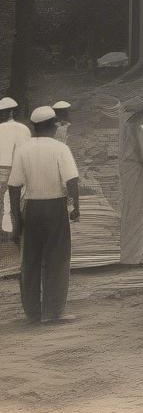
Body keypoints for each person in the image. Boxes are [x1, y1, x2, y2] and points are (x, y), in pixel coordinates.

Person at [8, 106, 81, 323]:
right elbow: (72, 180)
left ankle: (32, 312)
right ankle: (53, 311)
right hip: (55, 208)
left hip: (31, 208)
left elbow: (13, 186)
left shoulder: (23, 150)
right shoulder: (60, 148)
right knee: (57, 260)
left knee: (30, 261)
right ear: (52, 125)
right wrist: (76, 207)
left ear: (33, 127)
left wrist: (16, 217)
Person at [118, 100, 143, 266]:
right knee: (137, 211)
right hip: (136, 169)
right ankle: (133, 256)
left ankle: (130, 254)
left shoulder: (126, 127)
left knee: (130, 210)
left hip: (128, 170)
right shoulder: (135, 128)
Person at [0, 97, 31, 236]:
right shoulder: (23, 129)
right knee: (16, 202)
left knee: (2, 202)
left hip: (2, 169)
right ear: (12, 112)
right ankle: (17, 233)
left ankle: (5, 232)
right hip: (18, 169)